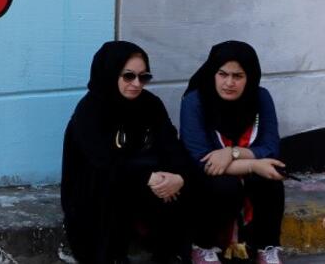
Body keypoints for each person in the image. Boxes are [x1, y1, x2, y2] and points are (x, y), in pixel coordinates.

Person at [61, 41, 193, 264]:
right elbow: (102, 161)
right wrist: (146, 177)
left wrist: (179, 177)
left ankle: (172, 252)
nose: (137, 84)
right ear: (111, 73)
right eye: (128, 76)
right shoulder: (90, 110)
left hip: (142, 181)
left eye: (144, 77)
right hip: (97, 188)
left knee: (186, 181)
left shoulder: (150, 105)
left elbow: (171, 145)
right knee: (109, 184)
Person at [180, 41, 286, 264]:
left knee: (271, 179)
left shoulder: (260, 97)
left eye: (238, 76)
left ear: (250, 77)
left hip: (235, 161)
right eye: (223, 74)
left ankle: (266, 247)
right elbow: (201, 159)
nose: (229, 83)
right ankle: (203, 246)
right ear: (213, 73)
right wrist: (252, 164)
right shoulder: (195, 101)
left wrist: (232, 152)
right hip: (204, 175)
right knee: (224, 185)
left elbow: (271, 148)